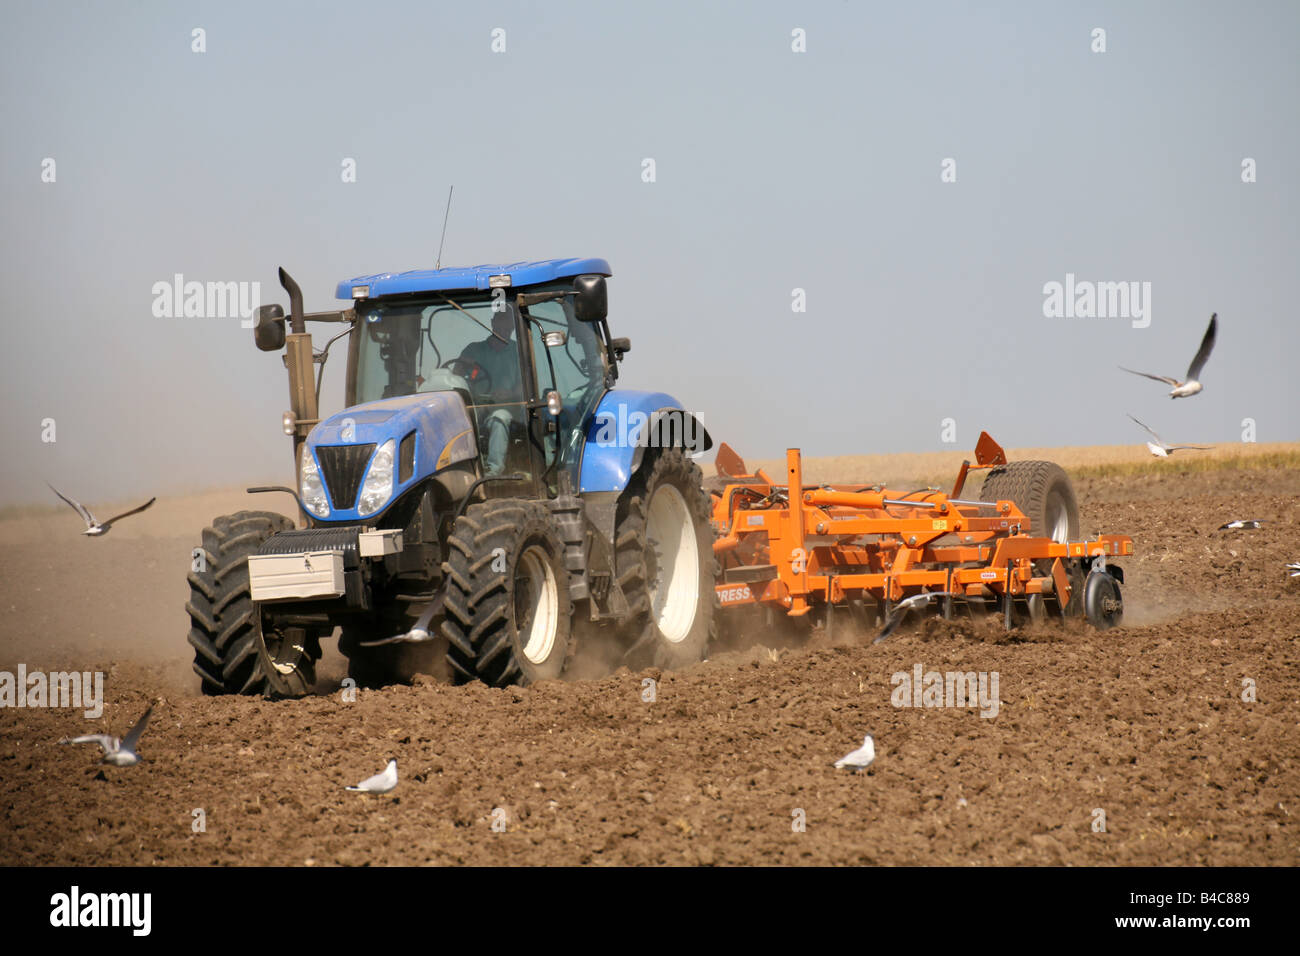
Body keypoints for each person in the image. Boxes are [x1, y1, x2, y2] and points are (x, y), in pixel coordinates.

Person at [456, 308, 522, 474]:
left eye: (508, 324)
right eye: (500, 322)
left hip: (507, 408)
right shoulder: (474, 350)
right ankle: (460, 471)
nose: (504, 328)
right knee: (455, 422)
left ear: (513, 327)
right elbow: (455, 377)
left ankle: (493, 471)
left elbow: (526, 384)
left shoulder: (519, 352)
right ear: (492, 323)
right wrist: (463, 365)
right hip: (476, 407)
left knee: (500, 418)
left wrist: (510, 394)